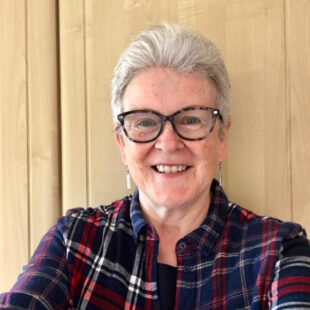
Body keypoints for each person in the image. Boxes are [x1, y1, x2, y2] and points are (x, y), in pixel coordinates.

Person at [1, 23, 310, 310]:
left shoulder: (280, 250)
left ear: (222, 138)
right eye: (145, 122)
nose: (168, 143)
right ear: (122, 144)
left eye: (190, 119)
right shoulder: (74, 241)